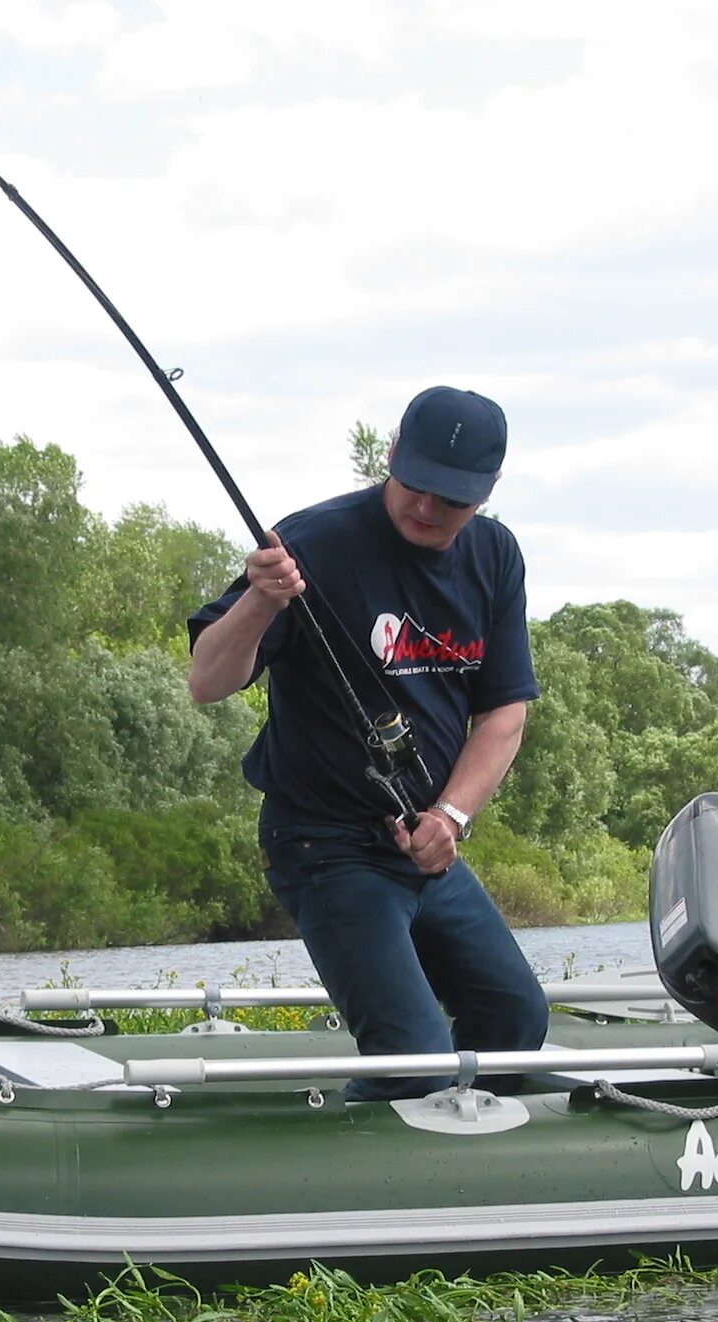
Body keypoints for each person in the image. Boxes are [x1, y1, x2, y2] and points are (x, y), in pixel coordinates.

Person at [188, 385, 548, 1099]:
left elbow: (504, 716)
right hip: (323, 842)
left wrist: (452, 816)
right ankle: (352, 1179)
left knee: (515, 1015)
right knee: (410, 1056)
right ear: (390, 455)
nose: (425, 508)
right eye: (413, 485)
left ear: (487, 492)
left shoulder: (495, 557)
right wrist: (261, 600)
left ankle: (470, 1177)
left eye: (450, 500)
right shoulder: (313, 544)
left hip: (424, 842)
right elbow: (207, 681)